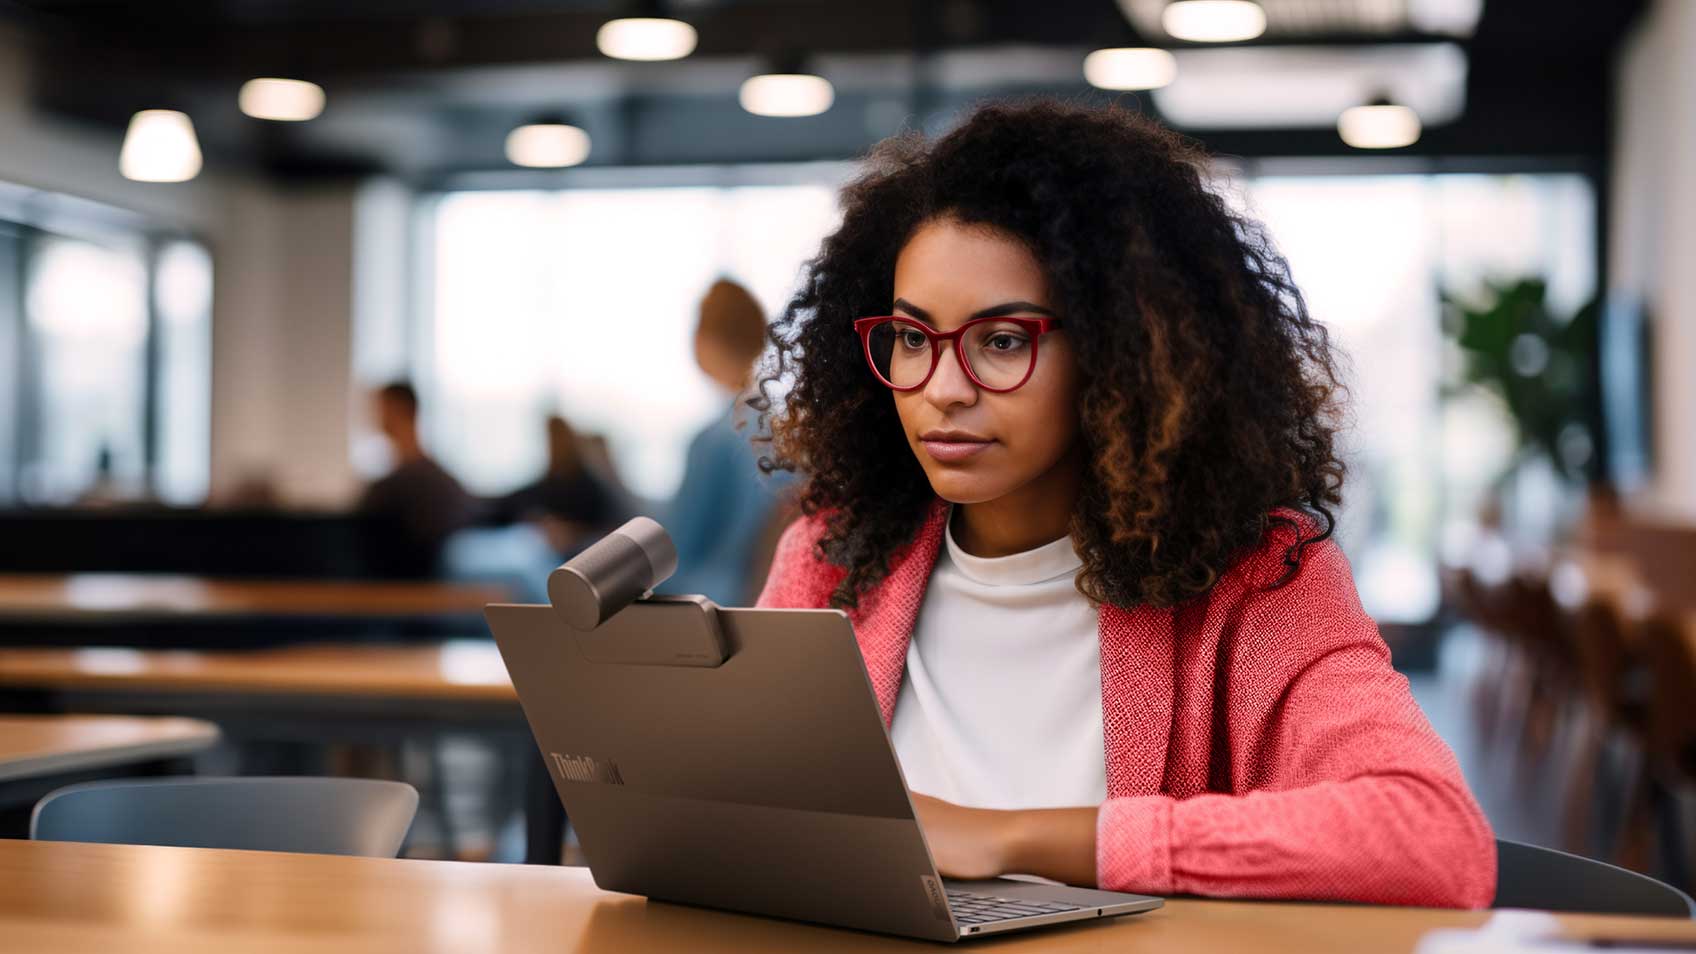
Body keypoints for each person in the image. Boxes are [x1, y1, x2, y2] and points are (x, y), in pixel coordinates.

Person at [751, 101, 1495, 907]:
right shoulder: (835, 556)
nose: (943, 389)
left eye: (1002, 341)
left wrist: (1010, 837)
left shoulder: (1260, 579)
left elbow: (1431, 837)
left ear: (1122, 351)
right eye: (912, 337)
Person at [660, 279, 794, 605]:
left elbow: (673, 556)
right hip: (780, 602)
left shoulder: (714, 443)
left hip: (713, 609)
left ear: (702, 342)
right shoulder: (796, 433)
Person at [358, 380, 476, 577]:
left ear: (396, 408)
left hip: (420, 587)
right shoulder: (431, 476)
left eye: (379, 407)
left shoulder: (415, 482)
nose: (373, 415)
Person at [489, 415, 627, 557]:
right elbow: (512, 506)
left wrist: (570, 532)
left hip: (580, 552)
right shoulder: (550, 482)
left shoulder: (589, 485)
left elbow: (610, 526)